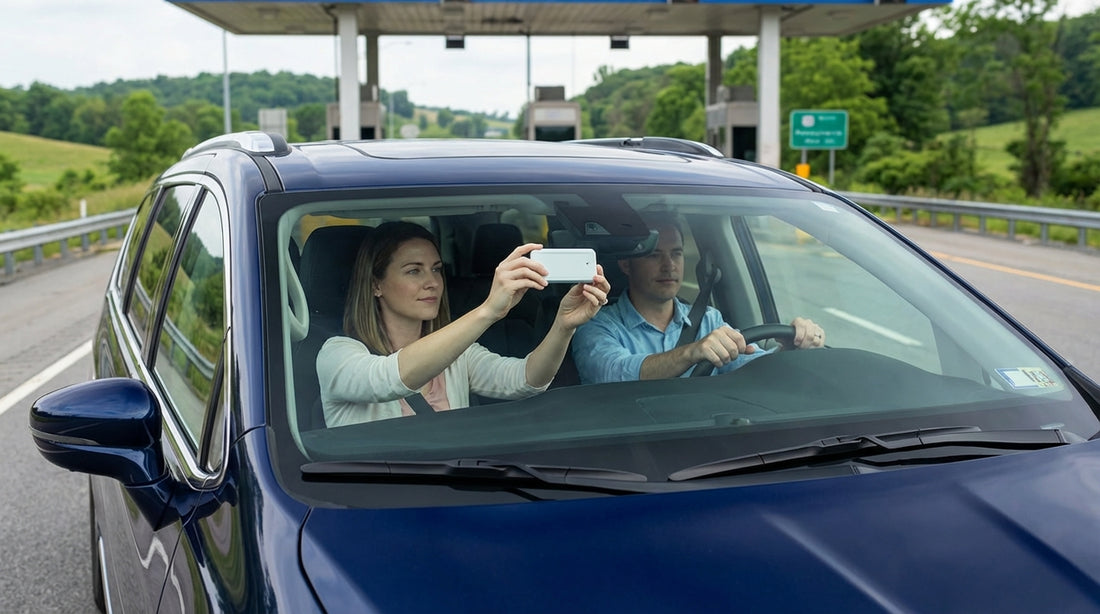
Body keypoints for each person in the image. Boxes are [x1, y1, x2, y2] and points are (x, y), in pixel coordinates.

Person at [317, 221, 611, 427]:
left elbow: (526, 380)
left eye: (436, 270)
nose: (432, 282)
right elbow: (392, 378)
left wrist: (564, 325)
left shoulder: (459, 356)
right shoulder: (338, 354)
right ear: (375, 285)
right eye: (413, 271)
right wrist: (487, 311)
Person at [571, 215, 825, 385]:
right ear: (626, 264)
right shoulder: (596, 324)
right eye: (654, 255)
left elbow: (750, 367)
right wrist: (692, 353)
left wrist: (790, 349)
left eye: (677, 253)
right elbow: (615, 373)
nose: (669, 265)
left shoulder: (708, 320)